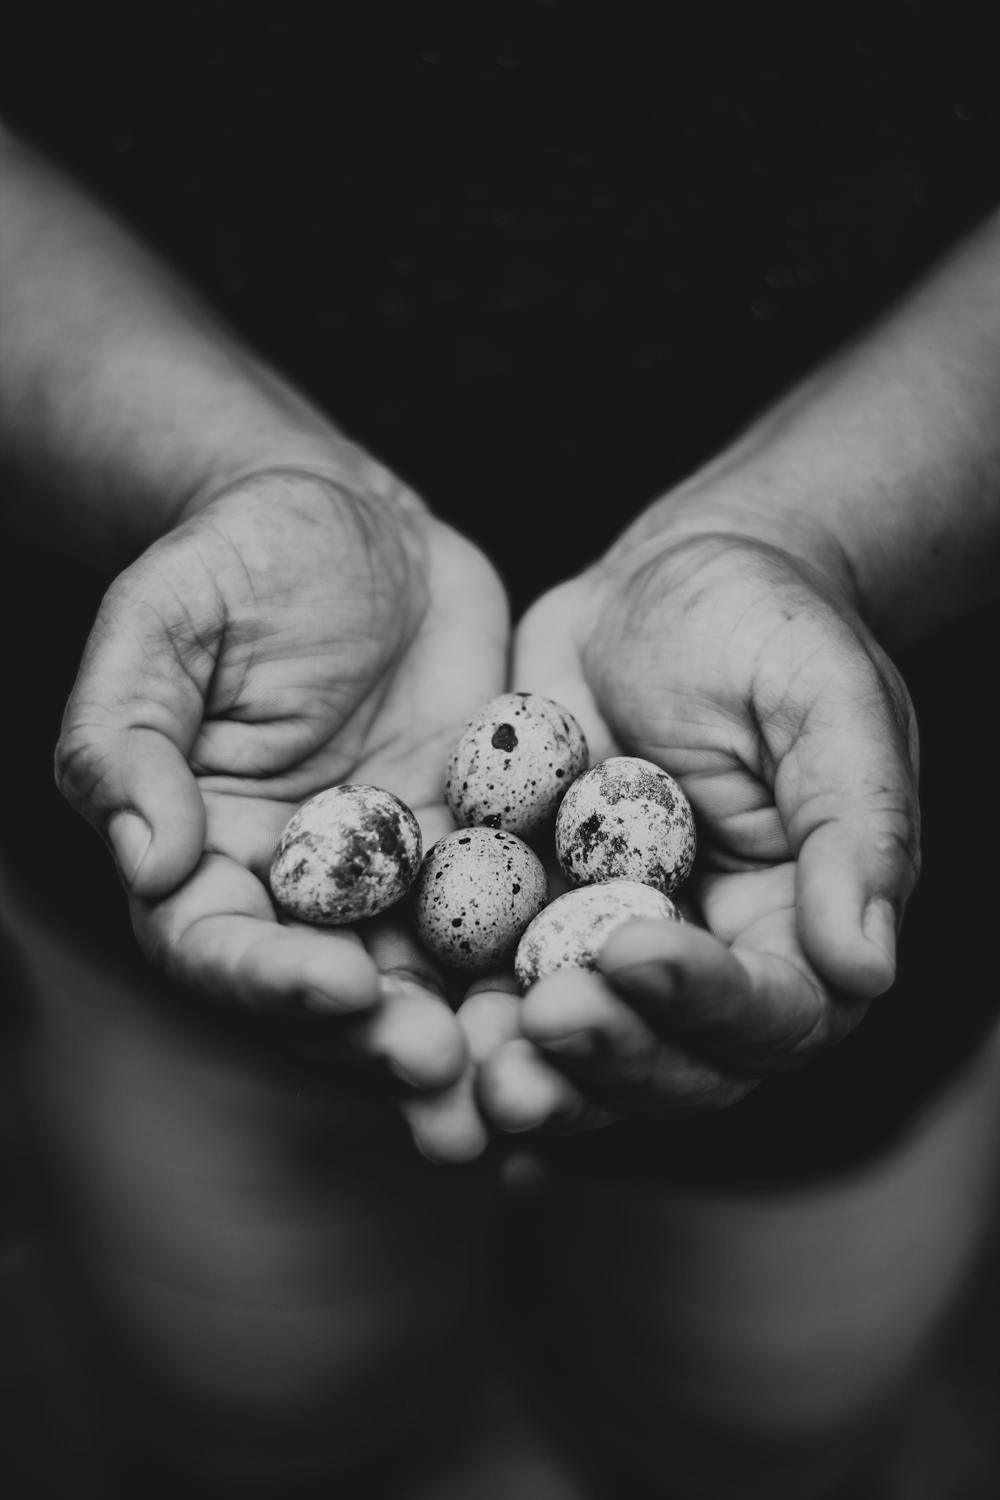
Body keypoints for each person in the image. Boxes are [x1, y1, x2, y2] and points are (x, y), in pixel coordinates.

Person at [3, 14, 1000, 1496]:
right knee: (257, 1404)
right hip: (219, 787)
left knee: (762, 1421)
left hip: (820, 802)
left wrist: (824, 533)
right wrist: (213, 464)